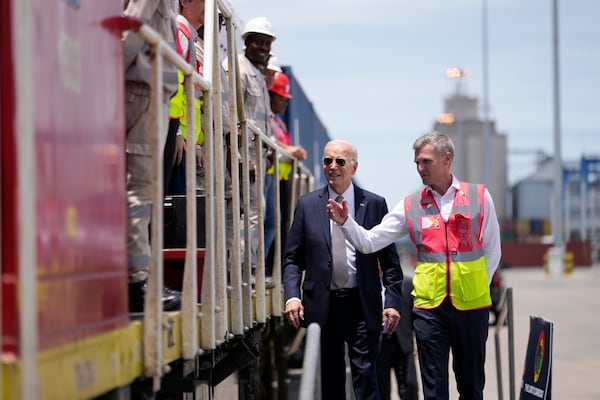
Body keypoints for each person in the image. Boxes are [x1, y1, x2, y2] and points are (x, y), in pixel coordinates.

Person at [328, 131, 502, 400]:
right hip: (428, 309)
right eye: (417, 163)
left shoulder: (479, 197)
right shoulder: (411, 205)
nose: (420, 169)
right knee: (433, 391)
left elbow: (493, 251)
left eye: (426, 162)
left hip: (471, 308)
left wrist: (474, 285)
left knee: (471, 387)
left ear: (447, 159)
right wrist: (346, 223)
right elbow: (370, 241)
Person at [283, 139, 404, 400]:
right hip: (323, 306)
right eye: (328, 161)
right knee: (331, 383)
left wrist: (392, 301)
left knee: (366, 379)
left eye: (340, 161)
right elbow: (292, 258)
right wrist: (292, 296)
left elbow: (391, 264)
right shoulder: (307, 205)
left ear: (354, 167)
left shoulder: (373, 204)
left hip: (362, 304)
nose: (333, 166)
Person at [122, 0, 182, 312]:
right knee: (139, 189)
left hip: (149, 90)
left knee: (140, 189)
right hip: (143, 91)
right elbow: (133, 27)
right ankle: (138, 283)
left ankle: (140, 278)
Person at [238, 16, 276, 270]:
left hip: (257, 157)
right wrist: (245, 159)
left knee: (256, 213)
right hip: (244, 157)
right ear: (247, 42)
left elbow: (260, 122)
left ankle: (248, 265)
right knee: (249, 213)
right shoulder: (239, 71)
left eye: (267, 43)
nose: (263, 48)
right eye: (258, 42)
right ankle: (243, 266)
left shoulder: (258, 77)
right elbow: (233, 118)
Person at [264, 71, 307, 283]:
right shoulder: (267, 119)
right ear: (271, 95)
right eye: (282, 98)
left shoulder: (279, 122)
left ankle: (269, 269)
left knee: (278, 224)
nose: (285, 103)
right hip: (268, 176)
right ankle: (260, 269)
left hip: (280, 180)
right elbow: (270, 141)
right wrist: (291, 149)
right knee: (268, 222)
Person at [166, 0, 205, 195]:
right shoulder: (181, 31)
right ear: (185, 2)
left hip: (185, 140)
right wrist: (176, 135)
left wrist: (195, 143)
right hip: (177, 136)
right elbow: (171, 84)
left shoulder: (189, 35)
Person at [377, 275, 418, 400]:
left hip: (403, 343)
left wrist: (417, 340)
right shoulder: (368, 284)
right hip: (379, 344)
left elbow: (415, 314)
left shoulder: (406, 283)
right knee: (380, 389)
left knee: (410, 387)